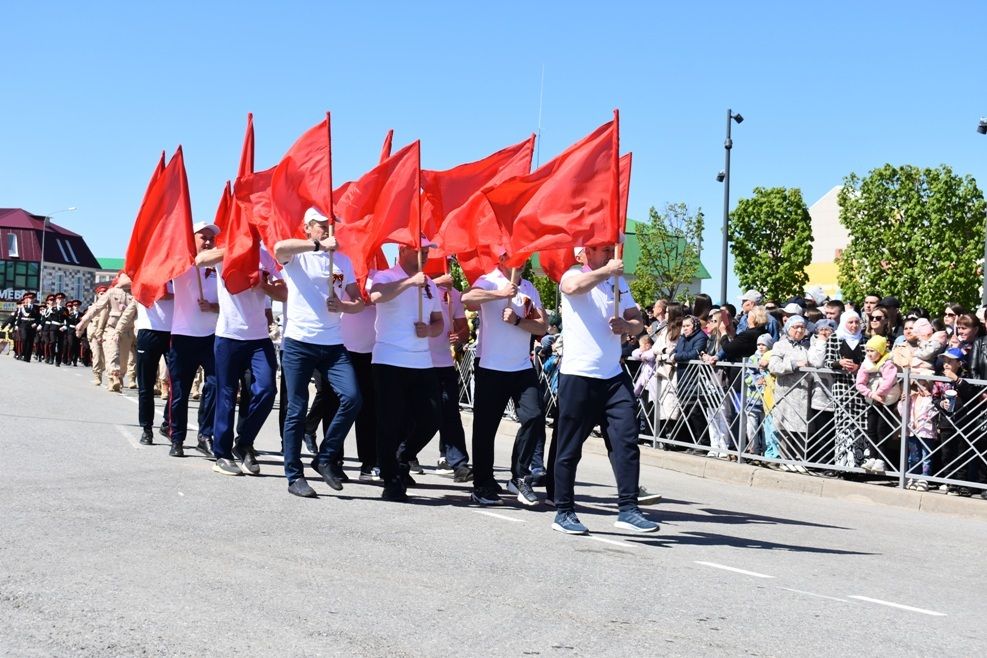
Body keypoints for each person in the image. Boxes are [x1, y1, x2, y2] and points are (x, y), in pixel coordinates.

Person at [550, 245, 658, 535]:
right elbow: (574, 287)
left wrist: (628, 325)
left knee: (626, 440)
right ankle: (564, 511)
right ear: (581, 255)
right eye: (598, 248)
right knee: (569, 448)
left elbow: (638, 322)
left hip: (612, 376)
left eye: (609, 247)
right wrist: (606, 271)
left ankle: (629, 509)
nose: (608, 251)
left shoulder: (618, 282)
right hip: (579, 375)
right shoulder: (573, 275)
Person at [274, 208, 364, 498]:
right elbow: (278, 248)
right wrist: (316, 246)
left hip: (333, 343)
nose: (326, 230)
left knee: (352, 398)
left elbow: (358, 301)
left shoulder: (343, 260)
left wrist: (345, 306)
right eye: (320, 226)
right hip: (299, 341)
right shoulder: (297, 256)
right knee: (296, 409)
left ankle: (325, 457)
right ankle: (293, 475)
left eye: (329, 225)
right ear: (307, 228)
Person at [462, 253, 548, 506]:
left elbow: (542, 326)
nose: (519, 261)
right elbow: (467, 299)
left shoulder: (529, 288)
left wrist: (519, 320)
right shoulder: (489, 280)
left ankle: (518, 476)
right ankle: (483, 485)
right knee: (485, 430)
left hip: (522, 366)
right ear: (501, 259)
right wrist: (500, 294)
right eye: (512, 256)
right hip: (491, 366)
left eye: (523, 255)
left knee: (534, 417)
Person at [196, 244, 285, 476]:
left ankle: (244, 442)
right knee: (226, 394)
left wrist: (263, 284)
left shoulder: (266, 254)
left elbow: (284, 292)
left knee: (267, 390)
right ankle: (222, 454)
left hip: (258, 338)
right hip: (228, 336)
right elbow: (200, 259)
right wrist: (234, 249)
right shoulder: (225, 251)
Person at [367, 237, 443, 502]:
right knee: (390, 421)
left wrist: (430, 330)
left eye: (427, 252)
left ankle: (403, 454)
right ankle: (391, 478)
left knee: (432, 416)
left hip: (421, 361)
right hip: (390, 358)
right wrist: (410, 282)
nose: (425, 256)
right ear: (402, 250)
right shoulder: (386, 276)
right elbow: (375, 295)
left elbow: (438, 323)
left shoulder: (431, 284)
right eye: (419, 251)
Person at [165, 223, 221, 458]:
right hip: (183, 336)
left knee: (215, 386)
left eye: (211, 239)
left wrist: (213, 307)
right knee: (180, 392)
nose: (208, 242)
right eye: (203, 238)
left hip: (212, 336)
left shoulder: (220, 266)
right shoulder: (179, 265)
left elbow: (231, 300)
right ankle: (177, 438)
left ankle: (204, 435)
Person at [422, 272, 472, 482]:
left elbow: (464, 330)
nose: (448, 269)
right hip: (418, 360)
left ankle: (459, 463)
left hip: (443, 361)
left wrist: (458, 336)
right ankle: (405, 456)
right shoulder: (418, 289)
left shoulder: (454, 295)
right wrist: (434, 283)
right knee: (419, 414)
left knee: (450, 411)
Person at [132, 282, 174, 446]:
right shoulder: (147, 271)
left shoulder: (178, 272)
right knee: (146, 386)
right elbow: (123, 282)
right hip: (148, 330)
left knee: (177, 384)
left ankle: (167, 422)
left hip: (174, 332)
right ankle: (146, 429)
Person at [854, 335, 901, 473]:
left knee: (882, 430)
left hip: (887, 400)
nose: (869, 354)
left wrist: (879, 393)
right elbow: (859, 383)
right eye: (867, 351)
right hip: (873, 400)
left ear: (880, 351)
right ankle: (872, 457)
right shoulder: (866, 363)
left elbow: (888, 381)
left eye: (872, 351)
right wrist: (871, 394)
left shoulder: (888, 363)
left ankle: (881, 459)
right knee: (871, 429)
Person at [768, 315, 811, 467]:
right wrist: (793, 364)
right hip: (786, 391)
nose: (799, 330)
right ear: (788, 328)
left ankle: (799, 460)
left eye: (802, 327)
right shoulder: (780, 345)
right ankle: (785, 460)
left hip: (804, 391)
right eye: (796, 327)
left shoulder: (807, 345)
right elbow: (773, 366)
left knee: (802, 428)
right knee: (785, 427)